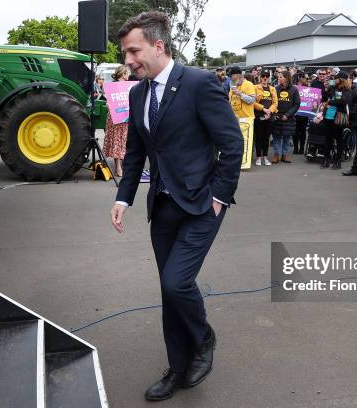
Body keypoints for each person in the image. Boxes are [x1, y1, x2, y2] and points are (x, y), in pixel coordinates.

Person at [110, 12, 243, 401]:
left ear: (158, 46)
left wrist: (219, 197)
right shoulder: (137, 93)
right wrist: (123, 197)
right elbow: (136, 153)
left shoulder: (200, 83)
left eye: (133, 51)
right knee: (169, 291)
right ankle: (177, 366)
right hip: (162, 207)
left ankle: (203, 339)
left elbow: (231, 145)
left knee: (176, 281)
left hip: (202, 204)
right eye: (124, 52)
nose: (128, 60)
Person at [103, 65, 132, 176]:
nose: (129, 75)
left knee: (124, 141)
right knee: (117, 141)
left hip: (125, 117)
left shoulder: (129, 86)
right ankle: (118, 167)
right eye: (128, 73)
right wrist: (108, 104)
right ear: (124, 74)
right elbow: (105, 101)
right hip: (116, 118)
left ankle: (124, 166)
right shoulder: (112, 86)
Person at [322, 71, 352, 169]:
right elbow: (325, 98)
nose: (334, 80)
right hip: (328, 116)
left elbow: (342, 101)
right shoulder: (332, 88)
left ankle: (338, 160)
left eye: (336, 78)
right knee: (328, 138)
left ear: (341, 79)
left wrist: (331, 101)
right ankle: (326, 158)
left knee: (339, 139)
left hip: (338, 117)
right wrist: (326, 89)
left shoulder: (347, 90)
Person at [272, 70, 300, 164]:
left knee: (287, 137)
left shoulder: (294, 89)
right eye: (278, 77)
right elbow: (272, 103)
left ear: (286, 78)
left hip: (289, 117)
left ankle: (284, 155)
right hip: (277, 116)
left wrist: (288, 115)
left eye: (281, 77)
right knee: (276, 137)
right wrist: (275, 114)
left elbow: (297, 104)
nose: (278, 79)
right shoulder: (275, 88)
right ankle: (276, 154)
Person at [253, 70, 278, 165]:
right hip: (259, 115)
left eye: (267, 76)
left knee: (266, 137)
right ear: (260, 77)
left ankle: (265, 157)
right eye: (263, 76)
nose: (265, 78)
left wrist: (270, 111)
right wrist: (263, 109)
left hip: (269, 116)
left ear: (269, 78)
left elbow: (275, 102)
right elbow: (253, 102)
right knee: (259, 137)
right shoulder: (255, 87)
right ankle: (258, 157)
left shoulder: (272, 88)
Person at [293, 72, 309, 154]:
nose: (306, 79)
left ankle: (302, 148)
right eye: (304, 77)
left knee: (302, 131)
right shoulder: (294, 87)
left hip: (304, 112)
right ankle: (296, 147)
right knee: (295, 131)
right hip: (295, 112)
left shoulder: (307, 87)